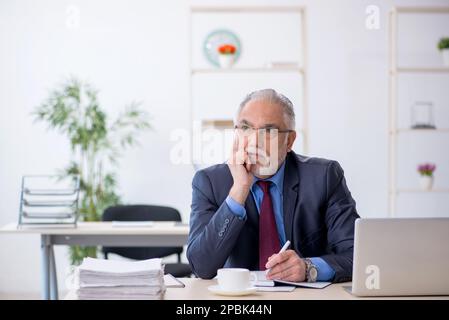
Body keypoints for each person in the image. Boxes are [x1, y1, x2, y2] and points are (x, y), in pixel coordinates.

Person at [187, 89, 359, 283]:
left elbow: (357, 255)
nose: (254, 141)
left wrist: (309, 268)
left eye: (268, 131)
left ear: (290, 141)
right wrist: (238, 191)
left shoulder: (324, 177)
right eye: (245, 128)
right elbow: (201, 266)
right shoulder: (209, 182)